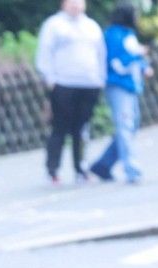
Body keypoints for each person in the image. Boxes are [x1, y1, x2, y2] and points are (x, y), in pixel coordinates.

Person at [36, 0, 106, 185]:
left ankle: (80, 168)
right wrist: (50, 78)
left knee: (81, 129)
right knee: (60, 127)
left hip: (88, 83)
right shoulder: (54, 25)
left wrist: (100, 78)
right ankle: (53, 170)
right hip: (64, 83)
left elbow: (100, 54)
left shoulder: (91, 27)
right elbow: (45, 52)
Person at [88, 3, 152, 184]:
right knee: (125, 126)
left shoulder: (128, 34)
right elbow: (117, 62)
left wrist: (143, 65)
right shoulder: (113, 35)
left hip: (131, 85)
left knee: (131, 126)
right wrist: (137, 55)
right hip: (118, 85)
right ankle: (132, 169)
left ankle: (103, 164)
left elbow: (136, 58)